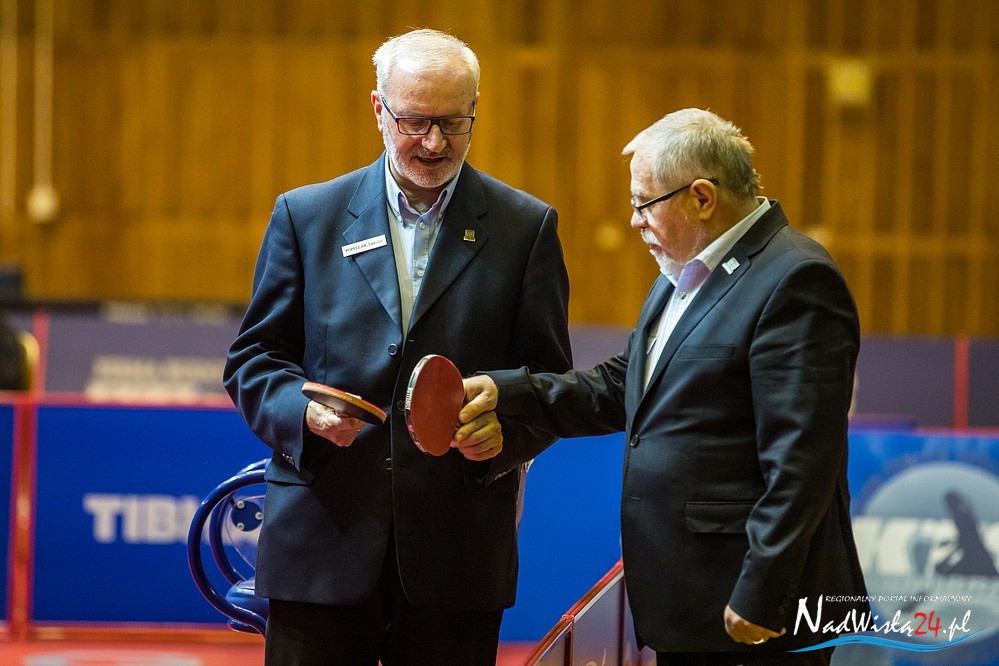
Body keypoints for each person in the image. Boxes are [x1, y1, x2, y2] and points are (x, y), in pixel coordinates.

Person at [455, 108, 868, 665]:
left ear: (702, 197)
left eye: (644, 203)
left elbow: (803, 459)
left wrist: (762, 592)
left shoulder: (795, 279)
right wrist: (508, 393)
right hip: (693, 601)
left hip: (754, 612)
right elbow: (624, 386)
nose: (634, 221)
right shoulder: (682, 273)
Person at [223, 28, 572, 665]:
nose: (434, 143)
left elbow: (548, 380)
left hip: (457, 556)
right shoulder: (306, 216)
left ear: (475, 111)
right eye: (415, 122)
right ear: (379, 110)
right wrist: (302, 413)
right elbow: (254, 360)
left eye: (453, 123)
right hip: (320, 543)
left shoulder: (526, 228)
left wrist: (506, 435)